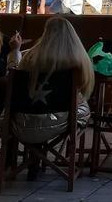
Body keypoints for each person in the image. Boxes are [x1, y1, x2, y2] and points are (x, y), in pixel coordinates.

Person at [11, 16, 94, 152]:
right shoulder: (78, 61)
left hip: (23, 121)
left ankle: (31, 156)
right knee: (82, 104)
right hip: (59, 121)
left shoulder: (29, 57)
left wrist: (15, 51)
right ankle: (68, 156)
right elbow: (83, 87)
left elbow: (14, 77)